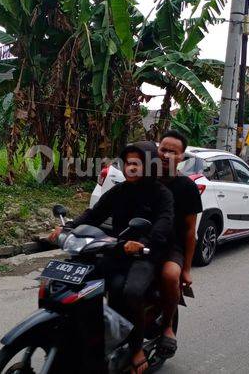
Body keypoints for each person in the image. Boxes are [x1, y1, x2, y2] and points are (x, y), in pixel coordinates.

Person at [49, 141, 173, 374]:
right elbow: (94, 215)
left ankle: (136, 348)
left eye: (136, 163)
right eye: (127, 163)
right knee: (78, 281)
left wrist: (142, 244)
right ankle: (87, 334)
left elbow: (163, 226)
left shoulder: (161, 194)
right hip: (117, 249)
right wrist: (67, 228)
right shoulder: (119, 191)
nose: (130, 168)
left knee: (129, 291)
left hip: (146, 255)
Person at [155, 130, 203, 359]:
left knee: (170, 275)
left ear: (181, 157)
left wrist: (186, 269)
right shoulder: (144, 179)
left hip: (171, 248)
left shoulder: (187, 188)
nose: (165, 155)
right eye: (163, 149)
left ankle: (167, 327)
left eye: (172, 152)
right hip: (140, 241)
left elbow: (189, 232)